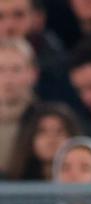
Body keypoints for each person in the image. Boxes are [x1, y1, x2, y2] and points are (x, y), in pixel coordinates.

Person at [6, 100, 80, 179]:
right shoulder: (11, 184)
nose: (51, 138)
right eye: (42, 131)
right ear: (29, 139)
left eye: (60, 131)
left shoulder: (85, 182)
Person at [0, 36, 37, 175]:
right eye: (0, 69)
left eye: (16, 69)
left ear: (33, 74)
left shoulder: (45, 120)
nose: (8, 78)